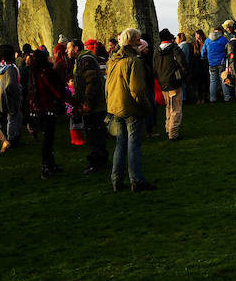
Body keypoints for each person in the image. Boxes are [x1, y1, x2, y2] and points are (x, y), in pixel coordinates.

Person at [106, 28, 157, 192]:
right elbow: (137, 90)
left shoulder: (113, 60)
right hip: (131, 109)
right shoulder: (134, 61)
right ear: (130, 41)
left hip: (116, 107)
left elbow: (108, 86)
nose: (139, 42)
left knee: (120, 144)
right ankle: (136, 180)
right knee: (134, 145)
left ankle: (116, 180)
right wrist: (146, 107)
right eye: (137, 40)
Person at [27, 48, 68, 179]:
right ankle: (46, 167)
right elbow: (58, 90)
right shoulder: (46, 72)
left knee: (48, 138)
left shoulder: (35, 72)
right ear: (44, 58)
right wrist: (74, 103)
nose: (51, 57)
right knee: (48, 140)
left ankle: (50, 164)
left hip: (39, 109)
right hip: (46, 109)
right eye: (48, 56)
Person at [70, 39, 109, 174]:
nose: (67, 51)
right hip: (92, 104)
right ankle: (101, 160)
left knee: (94, 134)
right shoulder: (82, 59)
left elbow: (91, 82)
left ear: (76, 48)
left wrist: (87, 103)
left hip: (93, 105)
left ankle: (97, 162)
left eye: (69, 48)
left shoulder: (85, 60)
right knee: (95, 133)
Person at [154, 29, 187, 141]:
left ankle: (168, 128)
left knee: (168, 107)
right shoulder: (174, 49)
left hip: (162, 82)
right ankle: (173, 133)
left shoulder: (156, 52)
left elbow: (154, 68)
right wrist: (183, 76)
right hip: (174, 81)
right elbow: (182, 62)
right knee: (176, 108)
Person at [0, 45, 23, 147]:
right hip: (10, 96)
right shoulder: (10, 68)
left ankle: (12, 137)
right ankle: (12, 139)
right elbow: (11, 84)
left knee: (10, 118)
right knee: (13, 117)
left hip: (2, 96)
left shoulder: (0, 68)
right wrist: (17, 93)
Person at [202, 26, 231, 102]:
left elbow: (203, 52)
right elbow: (229, 49)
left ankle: (212, 98)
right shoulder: (223, 39)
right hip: (221, 62)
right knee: (223, 79)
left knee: (213, 81)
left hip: (211, 63)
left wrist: (205, 58)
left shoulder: (207, 40)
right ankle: (227, 97)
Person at [192, 30, 210, 104]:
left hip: (204, 65)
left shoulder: (206, 43)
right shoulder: (195, 45)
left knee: (205, 82)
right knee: (198, 83)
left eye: (198, 35)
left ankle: (205, 98)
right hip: (197, 66)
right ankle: (199, 98)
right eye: (196, 35)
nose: (197, 37)